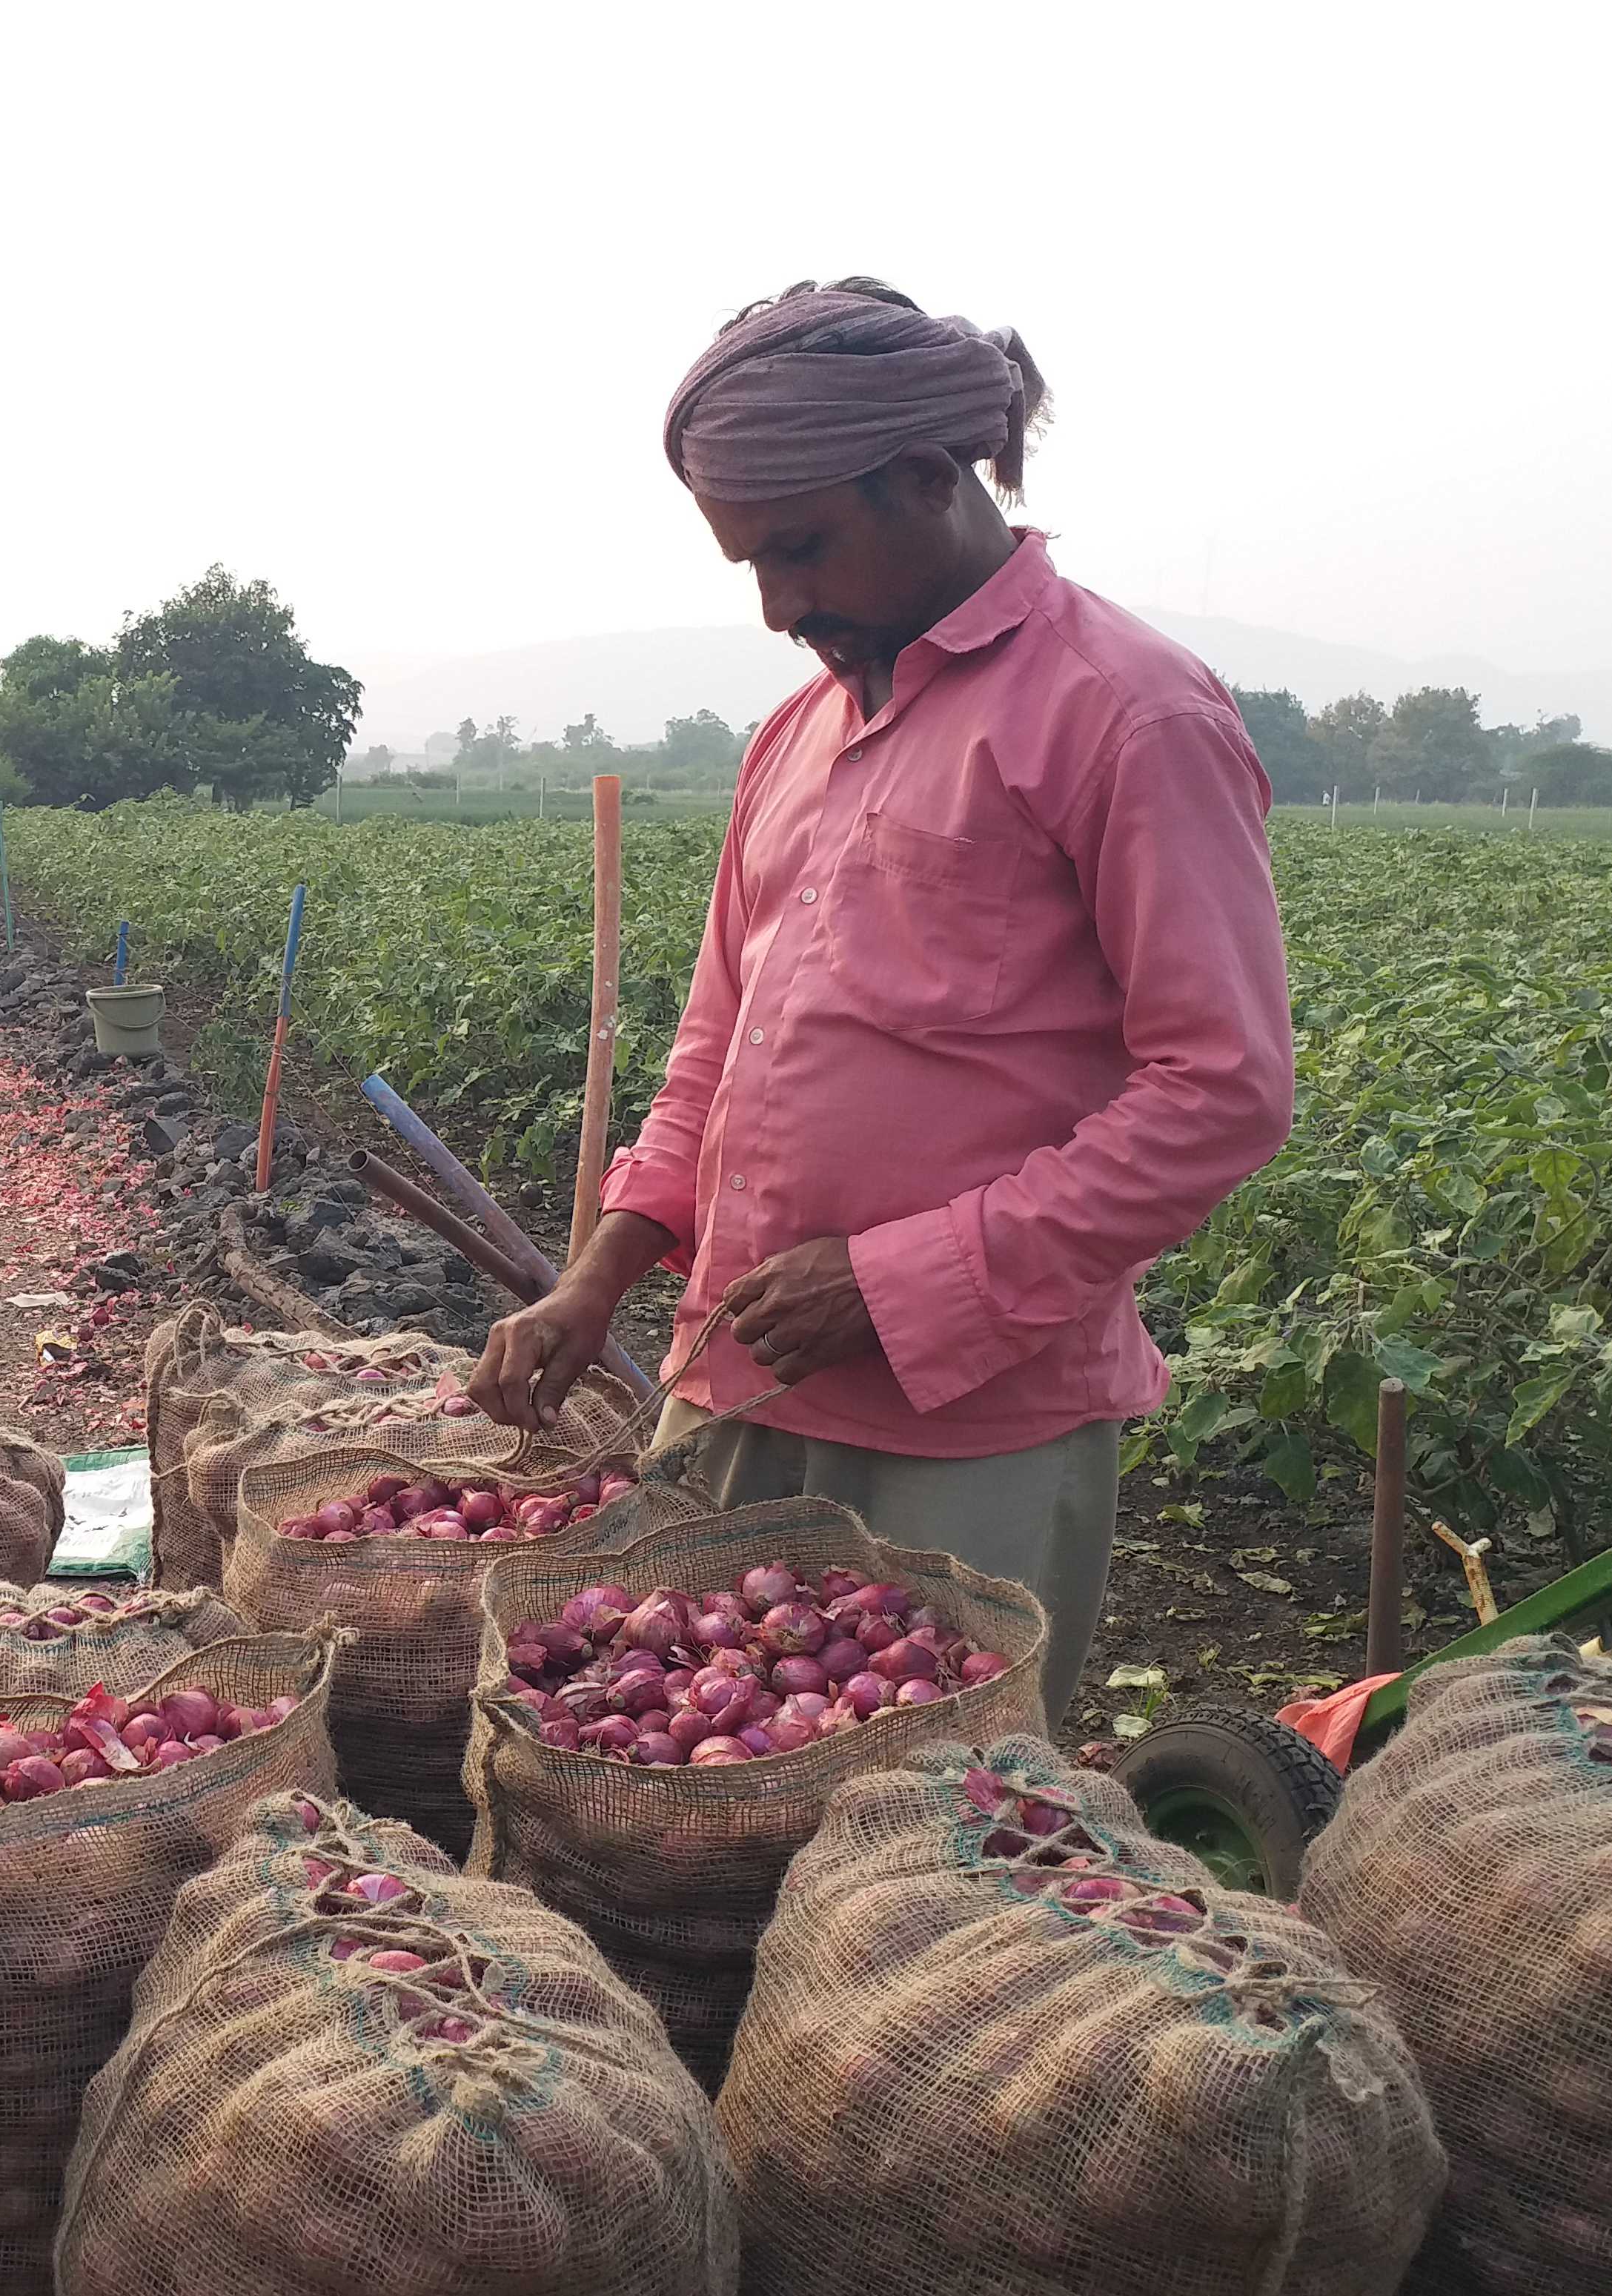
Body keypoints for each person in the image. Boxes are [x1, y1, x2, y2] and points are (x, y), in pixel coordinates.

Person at [471, 279, 1295, 1707]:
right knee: (672, 1779)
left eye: (800, 548)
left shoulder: (1130, 714)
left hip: (967, 1437)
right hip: (728, 1387)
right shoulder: (798, 732)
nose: (781, 605)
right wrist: (599, 1277)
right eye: (752, 566)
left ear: (927, 479)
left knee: (924, 1841)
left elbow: (1220, 1093)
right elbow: (717, 1046)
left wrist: (903, 1282)